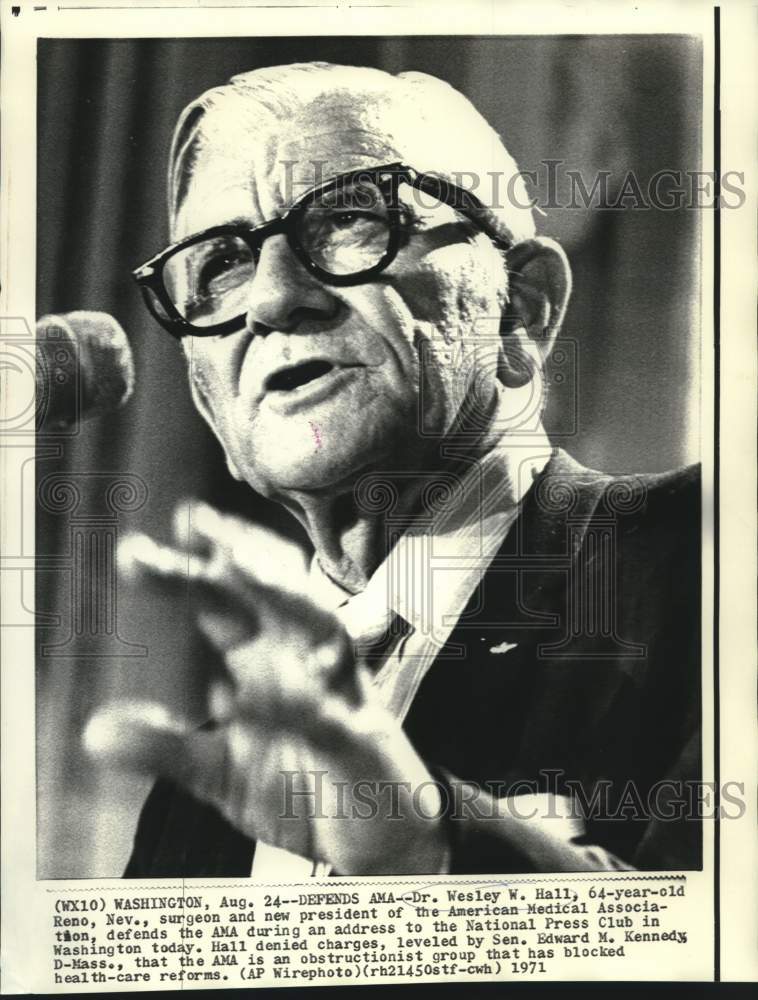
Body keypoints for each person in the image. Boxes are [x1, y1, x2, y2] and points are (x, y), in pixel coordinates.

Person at [87, 62, 700, 877]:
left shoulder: (711, 557)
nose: (272, 299)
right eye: (221, 263)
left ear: (520, 309)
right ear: (208, 399)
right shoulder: (196, 796)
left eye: (349, 218)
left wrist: (422, 846)